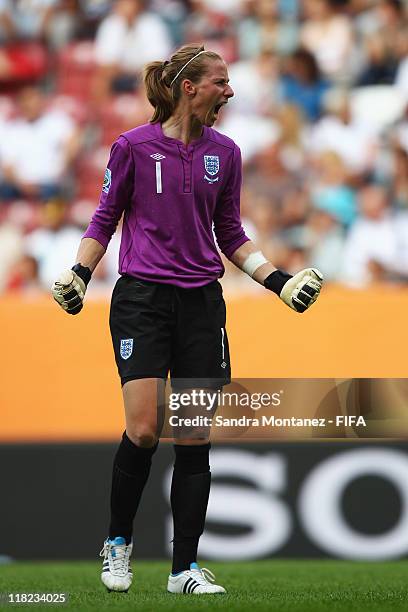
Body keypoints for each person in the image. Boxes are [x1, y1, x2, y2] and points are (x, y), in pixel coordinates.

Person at [51, 44, 323, 596]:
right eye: (220, 81)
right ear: (188, 87)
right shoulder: (131, 146)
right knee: (145, 428)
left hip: (202, 303)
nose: (230, 90)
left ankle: (184, 571)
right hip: (142, 300)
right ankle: (118, 544)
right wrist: (79, 275)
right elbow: (104, 217)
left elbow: (231, 233)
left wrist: (279, 281)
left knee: (194, 434)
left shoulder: (227, 152)